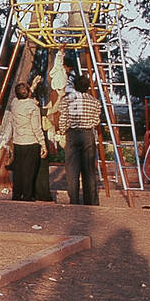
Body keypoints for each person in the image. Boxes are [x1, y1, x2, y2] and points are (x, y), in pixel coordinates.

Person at [59, 74, 102, 205]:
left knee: (72, 170)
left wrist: (62, 131)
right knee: (89, 170)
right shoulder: (95, 102)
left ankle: (74, 199)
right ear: (88, 87)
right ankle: (91, 201)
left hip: (72, 134)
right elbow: (96, 120)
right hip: (88, 134)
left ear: (75, 86)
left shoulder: (67, 100)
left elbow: (63, 118)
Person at [8, 82, 48, 201]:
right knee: (29, 171)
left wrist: (31, 88)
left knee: (18, 170)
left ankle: (16, 194)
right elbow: (36, 127)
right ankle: (27, 195)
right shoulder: (33, 107)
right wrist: (43, 144)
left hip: (18, 141)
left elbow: (21, 95)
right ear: (29, 94)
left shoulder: (14, 104)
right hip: (31, 141)